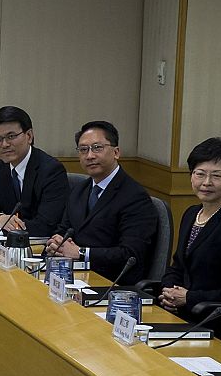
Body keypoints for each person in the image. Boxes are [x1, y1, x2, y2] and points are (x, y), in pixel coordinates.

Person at [45, 120, 158, 283]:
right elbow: (65, 229)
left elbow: (130, 254)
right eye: (83, 150)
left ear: (116, 152)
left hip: (111, 284)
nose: (90, 155)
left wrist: (81, 253)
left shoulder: (135, 197)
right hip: (75, 275)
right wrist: (56, 243)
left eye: (97, 148)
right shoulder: (80, 189)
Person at [158, 138, 221, 324]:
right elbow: (177, 266)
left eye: (216, 176)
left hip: (209, 319)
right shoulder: (191, 214)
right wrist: (168, 292)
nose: (206, 182)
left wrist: (190, 297)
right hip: (178, 311)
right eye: (200, 174)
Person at [0, 105, 69, 237]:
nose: (5, 144)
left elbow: (47, 225)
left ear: (29, 136)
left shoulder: (51, 170)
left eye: (11, 136)